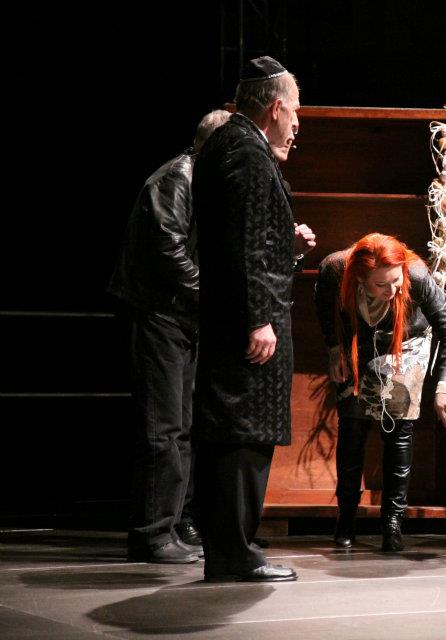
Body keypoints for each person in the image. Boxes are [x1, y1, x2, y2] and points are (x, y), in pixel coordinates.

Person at [192, 56, 316, 582]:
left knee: (241, 433)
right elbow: (240, 244)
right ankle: (232, 553)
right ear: (276, 107)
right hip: (246, 324)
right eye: (296, 113)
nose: (298, 125)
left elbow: (250, 239)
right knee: (241, 435)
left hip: (240, 316)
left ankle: (231, 549)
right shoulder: (245, 150)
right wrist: (256, 318)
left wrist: (288, 248)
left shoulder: (232, 144)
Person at [110, 109, 231, 564]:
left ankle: (172, 523)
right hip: (159, 314)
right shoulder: (176, 178)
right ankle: (152, 534)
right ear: (212, 147)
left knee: (180, 428)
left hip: (178, 316)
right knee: (163, 429)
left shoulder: (198, 180)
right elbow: (169, 251)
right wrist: (212, 298)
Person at [315, 233, 446, 551]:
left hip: (405, 345)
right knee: (352, 428)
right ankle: (346, 518)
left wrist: (444, 386)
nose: (392, 290)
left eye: (396, 281)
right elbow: (324, 306)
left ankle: (393, 522)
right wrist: (334, 348)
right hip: (358, 342)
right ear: (360, 278)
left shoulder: (416, 274)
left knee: (398, 434)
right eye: (381, 284)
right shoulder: (335, 269)